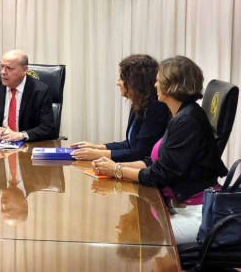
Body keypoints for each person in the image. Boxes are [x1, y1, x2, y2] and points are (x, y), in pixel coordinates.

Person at [92, 55, 228, 244]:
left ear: (171, 85)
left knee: (146, 238)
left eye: (158, 80)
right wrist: (112, 166)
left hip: (196, 213)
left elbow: (158, 174)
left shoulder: (188, 121)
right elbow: (154, 161)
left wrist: (117, 170)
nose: (155, 85)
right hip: (178, 206)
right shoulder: (180, 115)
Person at [71, 54, 170, 162]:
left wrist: (99, 154)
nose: (118, 82)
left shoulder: (156, 108)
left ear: (135, 82)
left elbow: (140, 152)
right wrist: (96, 147)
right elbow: (129, 143)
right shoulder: (138, 103)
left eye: (122, 78)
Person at [0, 49, 56, 142]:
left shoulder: (40, 91)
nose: (3, 72)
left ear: (24, 70)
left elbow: (48, 128)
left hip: (26, 148)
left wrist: (20, 135)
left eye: (9, 68)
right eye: (2, 67)